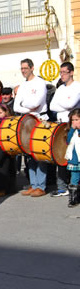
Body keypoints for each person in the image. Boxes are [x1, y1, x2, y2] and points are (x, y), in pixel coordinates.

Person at [14, 58, 48, 197]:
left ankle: (41, 185)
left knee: (39, 154)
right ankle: (33, 184)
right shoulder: (22, 86)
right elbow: (16, 106)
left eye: (25, 68)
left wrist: (24, 104)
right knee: (29, 155)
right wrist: (29, 107)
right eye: (21, 68)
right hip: (28, 121)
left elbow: (37, 103)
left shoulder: (40, 83)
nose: (23, 71)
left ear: (32, 68)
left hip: (40, 120)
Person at [50, 62, 80, 197]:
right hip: (60, 124)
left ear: (71, 72)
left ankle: (75, 185)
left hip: (74, 126)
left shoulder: (77, 86)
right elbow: (51, 106)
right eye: (60, 72)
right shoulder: (60, 89)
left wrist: (61, 104)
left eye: (64, 72)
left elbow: (71, 104)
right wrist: (66, 106)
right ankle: (62, 186)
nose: (62, 75)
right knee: (61, 155)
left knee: (76, 156)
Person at [65, 109, 80, 207]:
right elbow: (68, 141)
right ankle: (73, 199)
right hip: (75, 159)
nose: (74, 122)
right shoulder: (72, 131)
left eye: (77, 120)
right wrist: (72, 129)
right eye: (73, 120)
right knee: (74, 178)